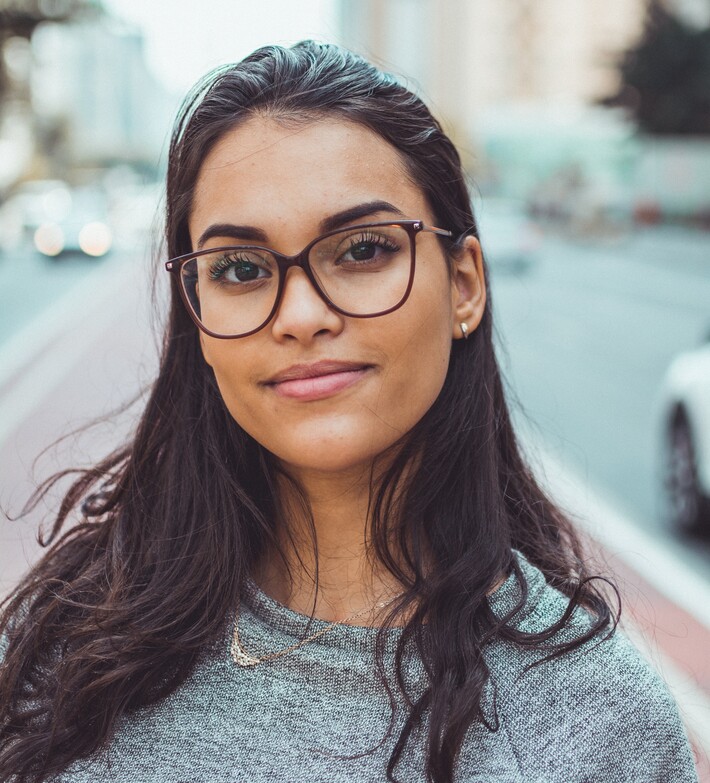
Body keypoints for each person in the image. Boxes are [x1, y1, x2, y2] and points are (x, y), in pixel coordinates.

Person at [0, 41, 698, 783]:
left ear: (463, 285)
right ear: (197, 315)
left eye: (362, 250)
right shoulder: (65, 652)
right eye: (241, 268)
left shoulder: (597, 720)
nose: (301, 315)